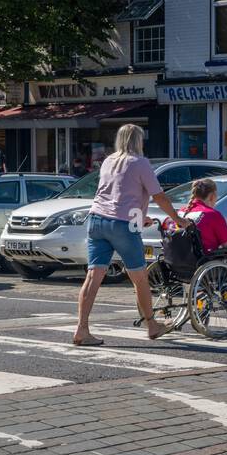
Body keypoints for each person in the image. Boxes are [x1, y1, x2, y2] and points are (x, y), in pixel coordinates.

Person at [74, 124, 190, 346]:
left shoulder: (108, 161)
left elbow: (116, 192)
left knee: (93, 277)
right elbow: (159, 196)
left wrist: (140, 216)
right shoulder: (140, 162)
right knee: (139, 277)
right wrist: (177, 219)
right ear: (138, 141)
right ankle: (152, 325)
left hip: (96, 220)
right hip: (123, 225)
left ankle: (81, 329)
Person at [180, 179, 227, 254]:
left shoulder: (181, 212)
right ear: (212, 196)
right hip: (206, 260)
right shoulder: (212, 215)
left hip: (179, 260)